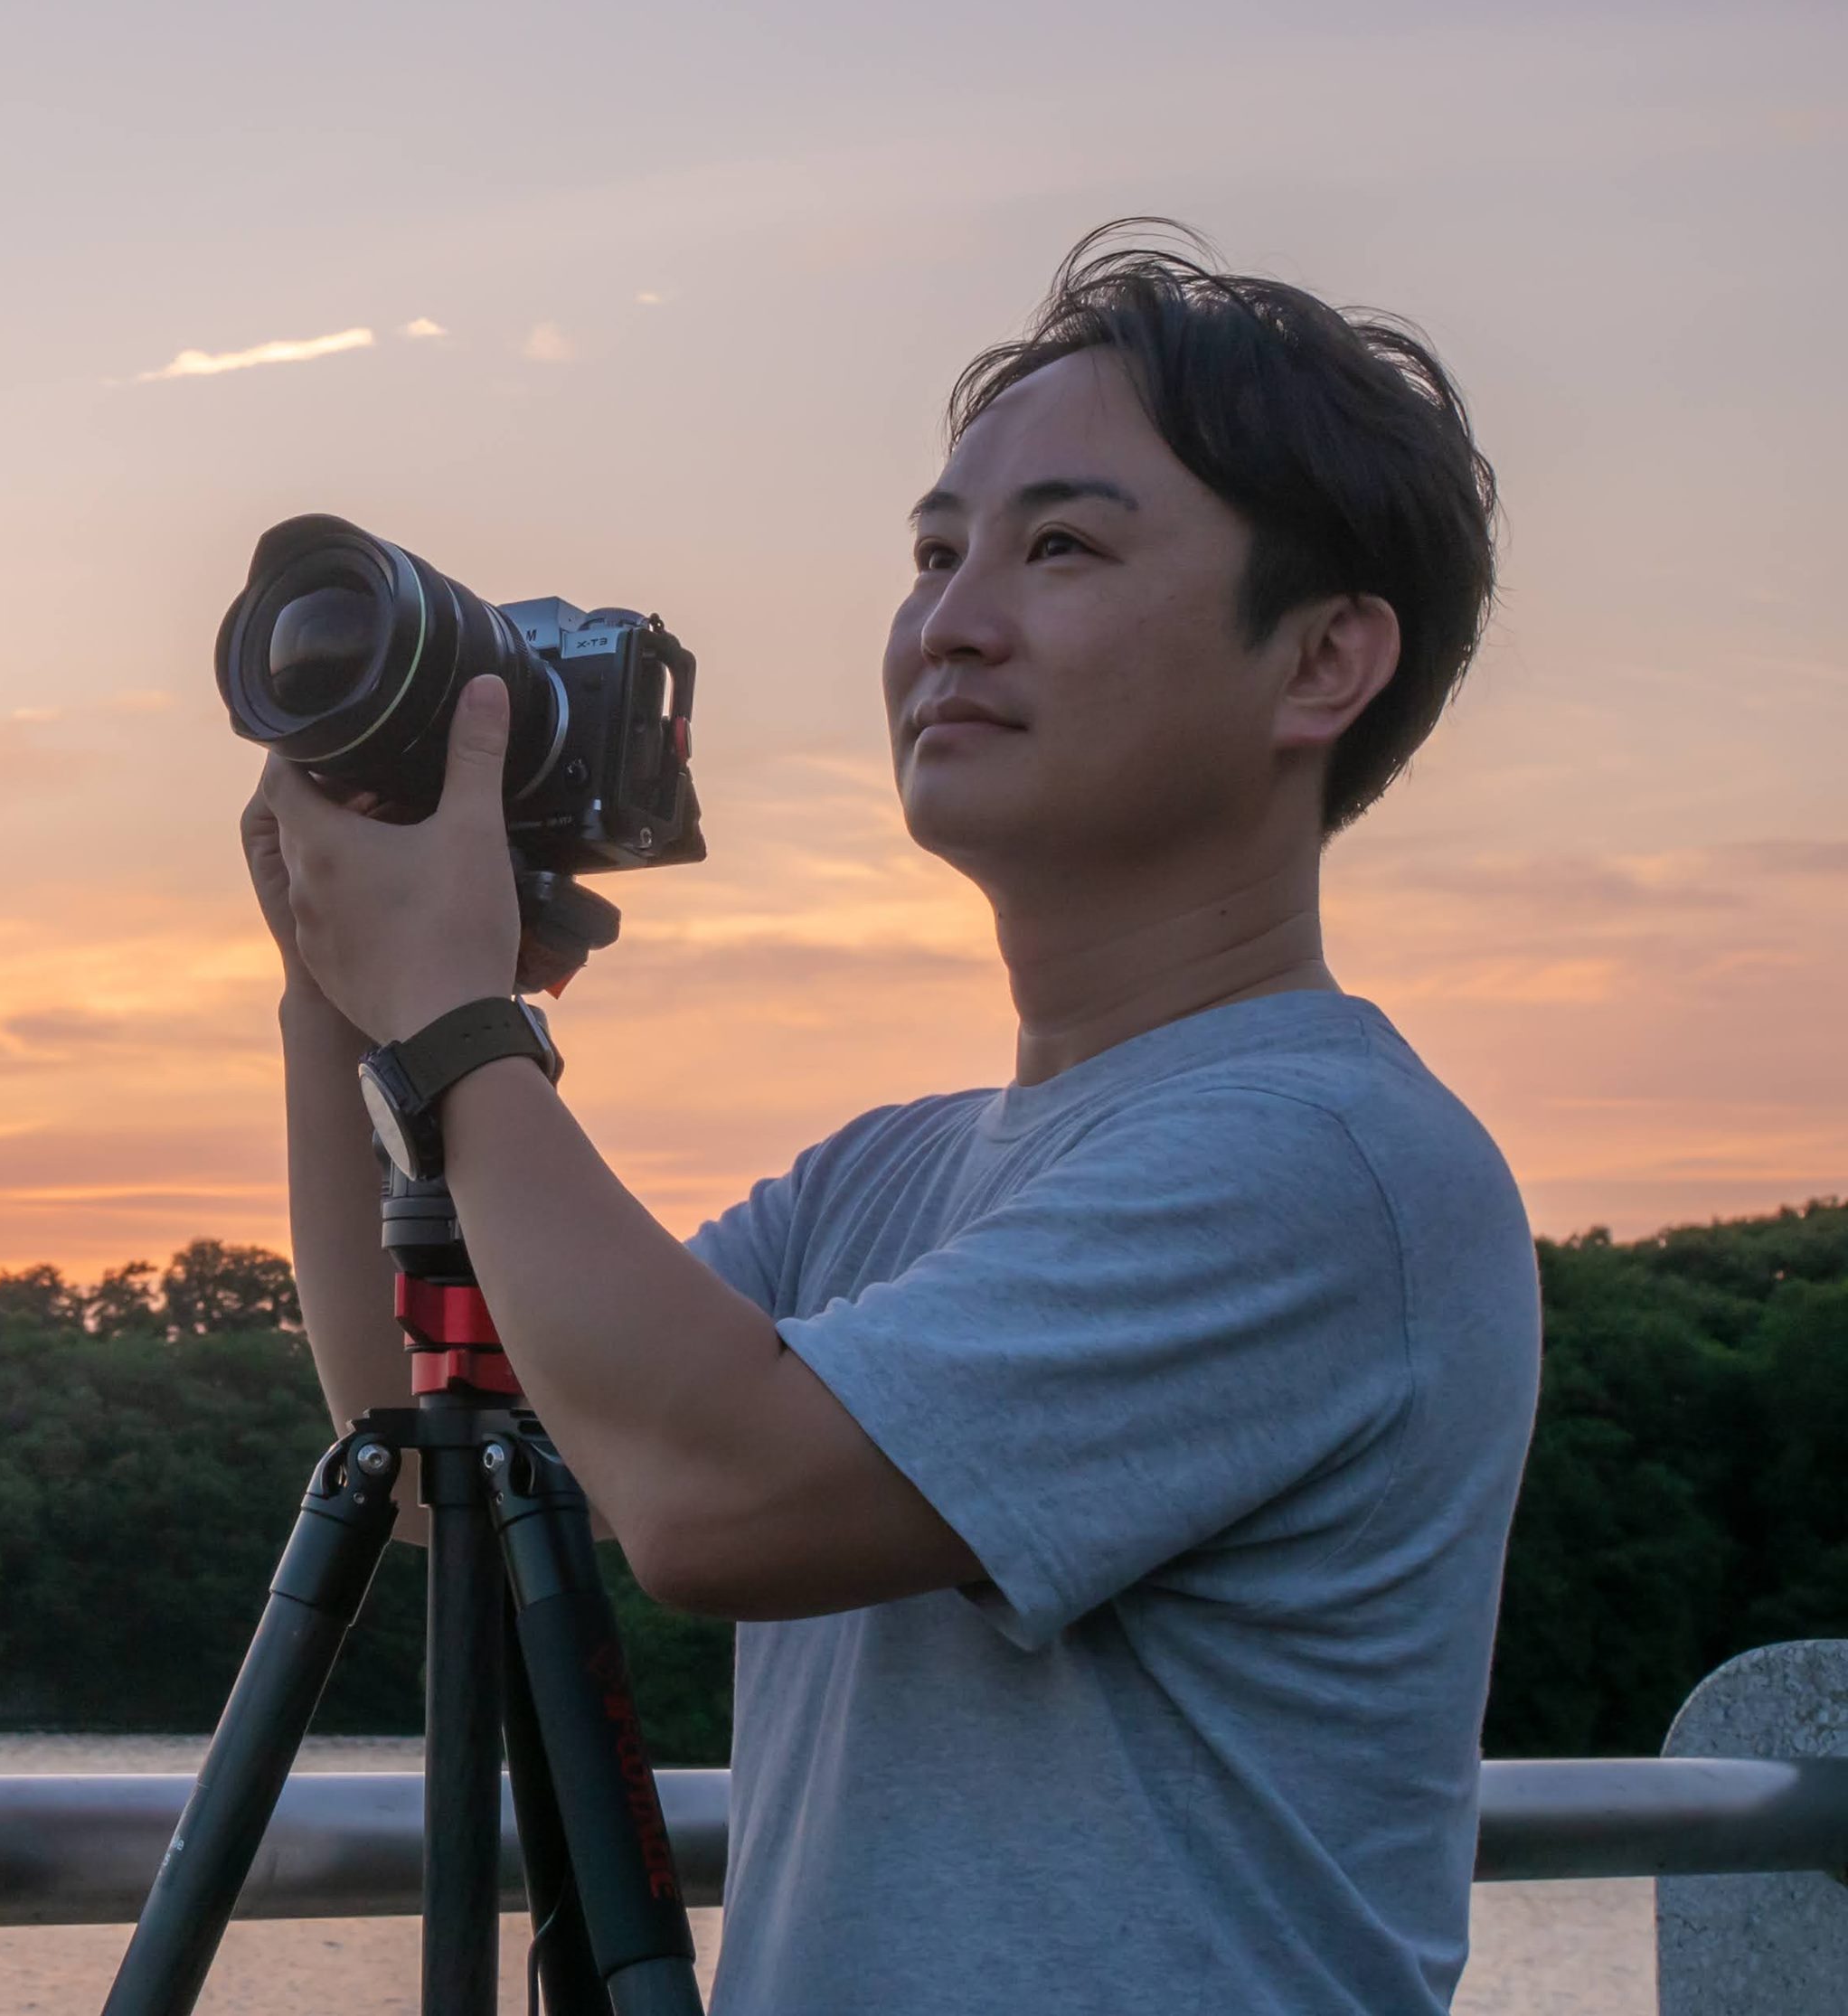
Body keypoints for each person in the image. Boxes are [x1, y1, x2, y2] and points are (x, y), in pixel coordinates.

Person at [247, 223, 1539, 2013]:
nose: (950, 620)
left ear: (1319, 664)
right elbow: (431, 1435)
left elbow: (716, 1495)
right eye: (932, 553)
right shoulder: (887, 1181)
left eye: (1058, 546)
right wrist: (338, 1001)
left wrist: (460, 1020)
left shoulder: (1328, 1161)